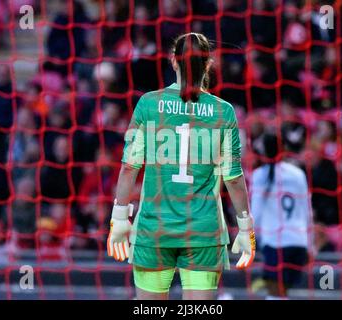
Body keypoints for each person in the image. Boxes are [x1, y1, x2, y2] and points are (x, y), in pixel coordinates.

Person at [106, 32, 256, 300]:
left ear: (173, 62)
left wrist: (119, 217)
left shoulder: (148, 104)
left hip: (154, 228)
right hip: (203, 231)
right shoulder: (224, 112)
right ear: (208, 64)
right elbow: (233, 177)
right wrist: (245, 227)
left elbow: (130, 166)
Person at [250, 133, 313, 299]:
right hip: (298, 242)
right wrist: (309, 244)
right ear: (283, 150)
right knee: (282, 293)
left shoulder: (260, 176)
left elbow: (254, 215)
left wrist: (248, 240)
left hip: (276, 243)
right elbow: (308, 212)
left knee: (274, 293)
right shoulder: (298, 174)